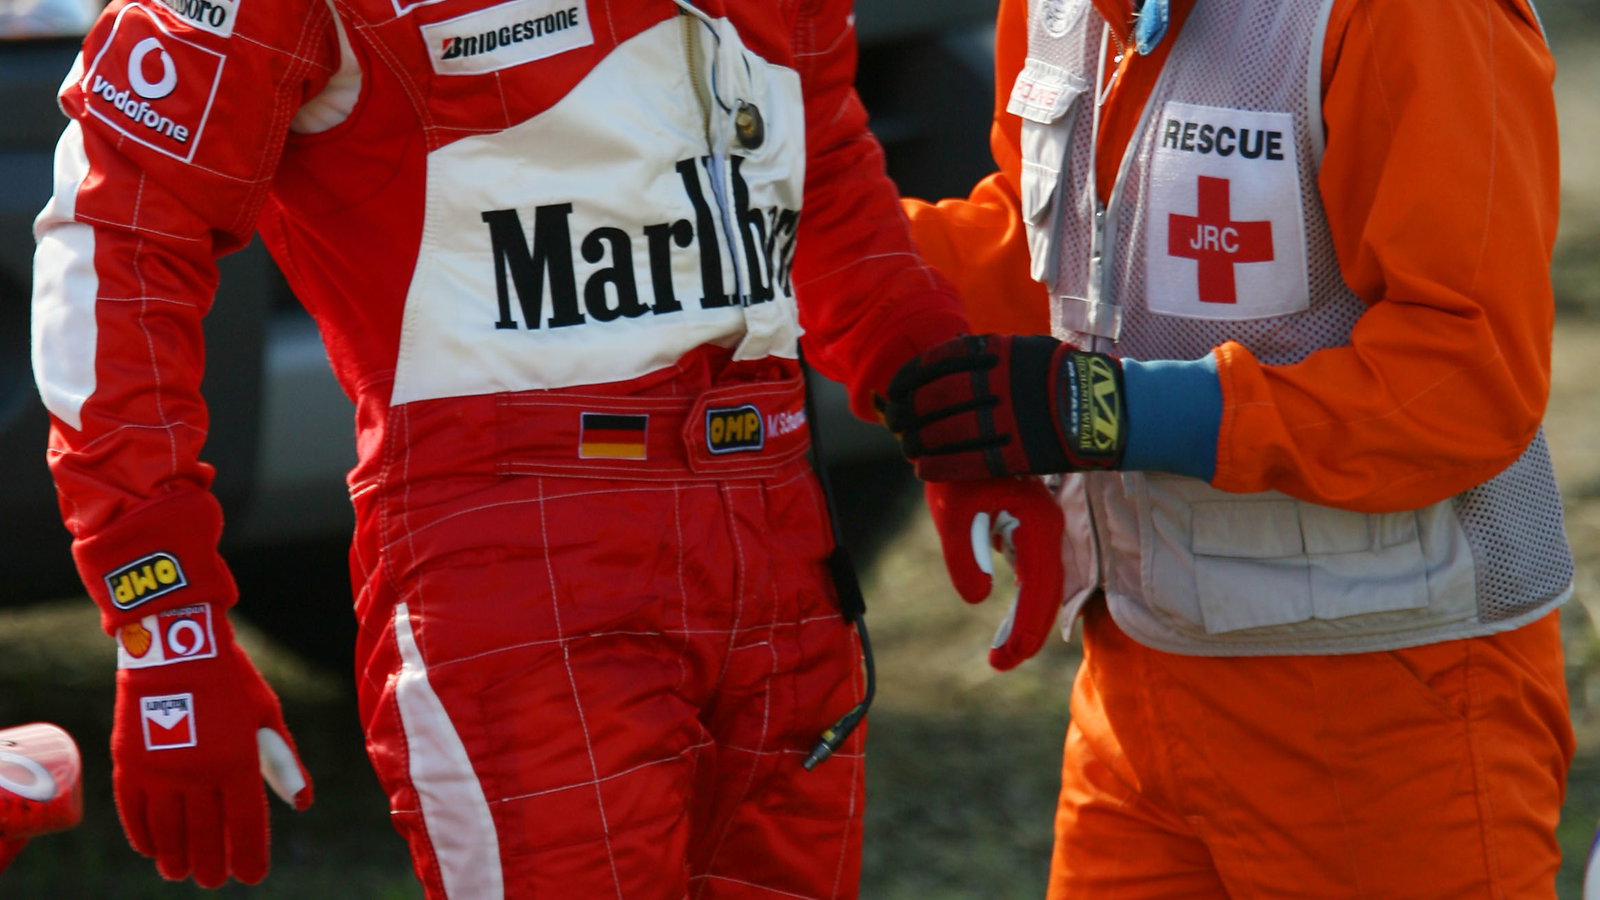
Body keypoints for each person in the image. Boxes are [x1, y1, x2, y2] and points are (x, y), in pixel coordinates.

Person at [30, 0, 1066, 895]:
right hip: (514, 567)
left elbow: (822, 176)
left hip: (783, 549)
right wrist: (161, 610)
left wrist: (945, 404)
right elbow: (114, 227)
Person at [882, 0, 1577, 897]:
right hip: (1135, 691)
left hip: (1393, 708)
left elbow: (1466, 379)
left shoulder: (1412, 16)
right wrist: (827, 259)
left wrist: (1108, 412)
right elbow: (1052, 251)